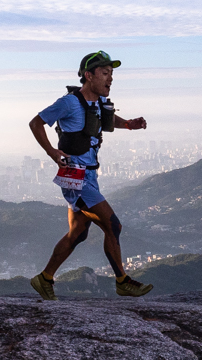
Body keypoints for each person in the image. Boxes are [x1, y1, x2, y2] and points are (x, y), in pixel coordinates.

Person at [28, 50, 151, 299]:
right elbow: (36, 123)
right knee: (112, 224)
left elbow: (105, 119)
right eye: (105, 73)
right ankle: (122, 281)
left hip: (89, 176)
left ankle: (44, 278)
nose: (110, 78)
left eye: (112, 74)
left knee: (78, 233)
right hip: (75, 176)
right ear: (88, 75)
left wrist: (127, 124)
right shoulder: (69, 102)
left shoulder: (98, 102)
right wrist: (52, 151)